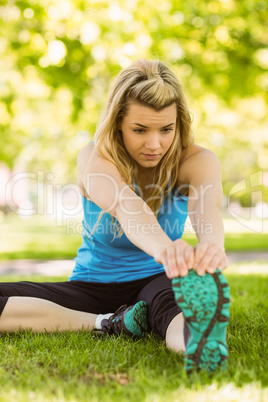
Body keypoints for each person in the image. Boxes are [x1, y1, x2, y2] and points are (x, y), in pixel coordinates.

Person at [0, 59, 230, 373]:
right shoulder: (95, 158)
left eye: (166, 129)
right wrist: (165, 248)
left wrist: (212, 244)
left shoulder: (196, 159)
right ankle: (111, 322)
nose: (154, 144)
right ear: (117, 123)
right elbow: (127, 207)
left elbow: (206, 207)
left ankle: (200, 341)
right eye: (140, 130)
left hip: (157, 279)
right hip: (92, 287)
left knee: (179, 308)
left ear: (180, 123)